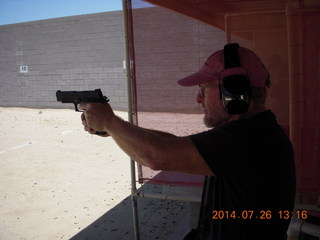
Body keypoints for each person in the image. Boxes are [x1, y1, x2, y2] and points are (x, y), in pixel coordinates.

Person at [79, 43, 296, 240]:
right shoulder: (256, 131)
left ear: (234, 92)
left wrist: (108, 121)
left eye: (204, 89)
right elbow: (173, 144)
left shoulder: (253, 137)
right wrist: (112, 130)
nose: (198, 98)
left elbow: (157, 156)